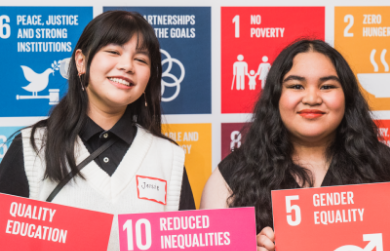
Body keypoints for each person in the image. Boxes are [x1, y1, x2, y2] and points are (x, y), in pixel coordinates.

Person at [0, 11, 195, 250]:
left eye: (141, 60)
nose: (127, 66)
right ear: (81, 61)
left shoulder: (168, 157)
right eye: (113, 52)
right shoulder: (32, 146)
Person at [200, 39, 390, 251]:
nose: (311, 98)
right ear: (276, 97)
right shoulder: (230, 178)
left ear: (347, 97)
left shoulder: (384, 166)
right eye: (296, 86)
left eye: (327, 86)